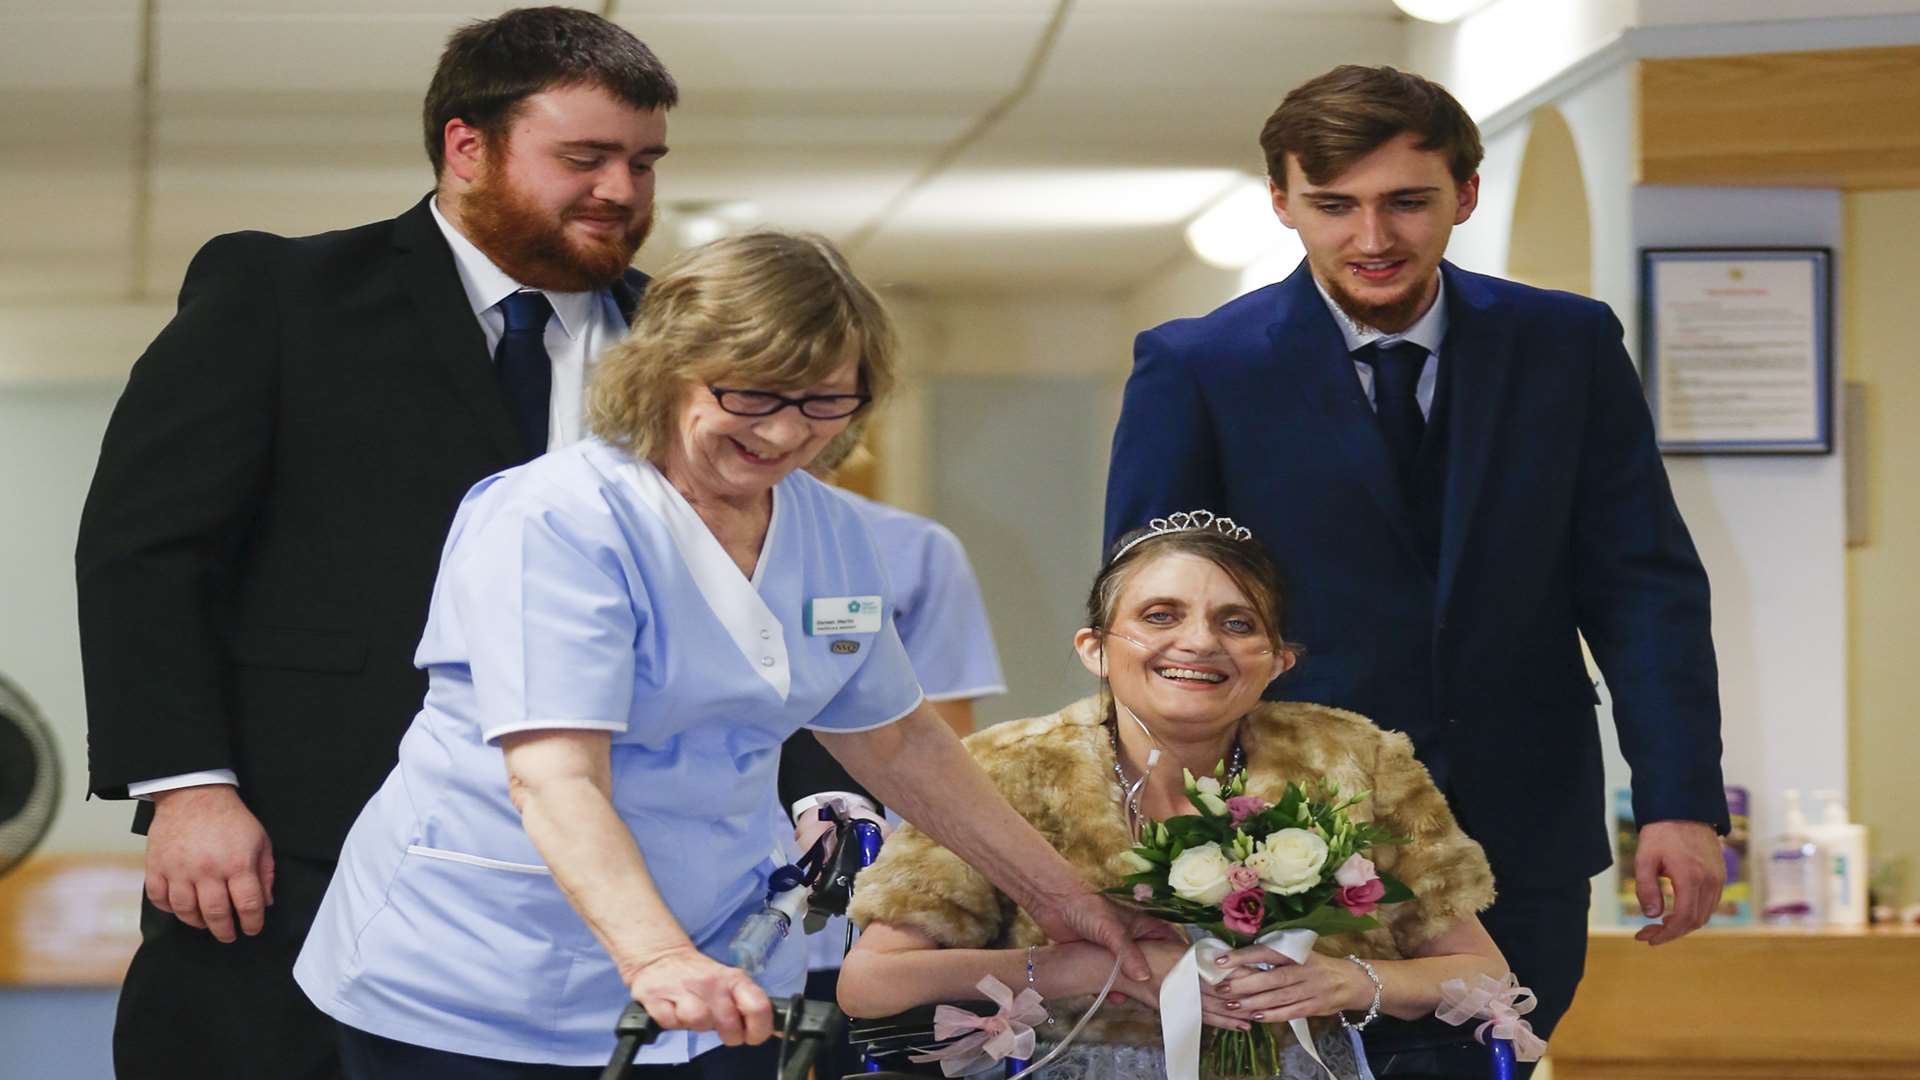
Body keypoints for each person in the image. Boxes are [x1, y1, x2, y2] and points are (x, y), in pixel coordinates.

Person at [293, 231, 1162, 1079]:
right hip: (488, 960)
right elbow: (555, 775)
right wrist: (657, 956)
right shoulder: (557, 519)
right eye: (755, 396)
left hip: (720, 949)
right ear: (668, 369)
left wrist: (1069, 904)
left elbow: (898, 741)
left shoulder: (829, 530)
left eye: (827, 402)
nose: (787, 435)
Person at [74, 9, 675, 1077]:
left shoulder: (680, 343)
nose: (621, 192)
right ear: (466, 145)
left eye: (643, 162)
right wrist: (187, 787)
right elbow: (146, 552)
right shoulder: (283, 297)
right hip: (297, 838)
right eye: (583, 158)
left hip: (596, 865)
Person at [1104, 64, 1729, 1073]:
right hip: (1281, 831)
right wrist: (1160, 820)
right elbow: (1153, 623)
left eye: (1407, 202)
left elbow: (1644, 586)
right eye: (1334, 205)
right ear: (1282, 203)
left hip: (1520, 827)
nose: (1373, 238)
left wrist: (1681, 799)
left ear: (1465, 196)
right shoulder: (1200, 367)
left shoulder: (1565, 345)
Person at [839, 517, 1508, 1080]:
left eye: (1237, 622)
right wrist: (1085, 969)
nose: (1199, 642)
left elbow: (1484, 973)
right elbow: (869, 985)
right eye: (1160, 616)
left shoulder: (1353, 759)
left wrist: (1352, 982)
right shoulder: (1006, 767)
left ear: (1280, 661)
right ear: (1095, 649)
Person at [782, 443, 1009, 1080]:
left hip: (867, 915)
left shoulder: (912, 549)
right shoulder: (657, 536)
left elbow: (944, 747)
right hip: (710, 914)